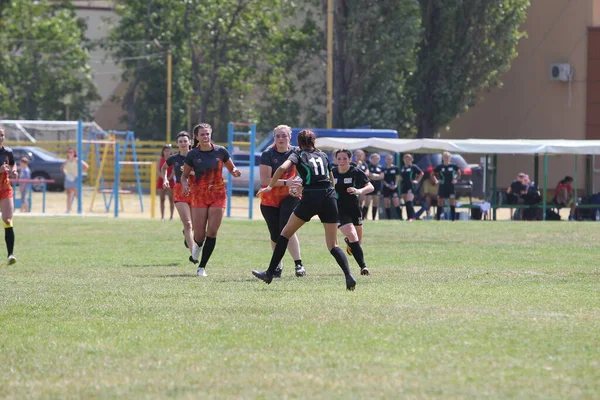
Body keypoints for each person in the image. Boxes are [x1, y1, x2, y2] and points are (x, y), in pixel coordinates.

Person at [251, 129, 357, 291]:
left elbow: (281, 168)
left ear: (299, 142)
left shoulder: (298, 154)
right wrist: (333, 196)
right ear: (314, 141)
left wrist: (270, 186)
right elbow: (331, 178)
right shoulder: (322, 155)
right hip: (328, 198)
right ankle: (349, 275)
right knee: (332, 245)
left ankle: (269, 273)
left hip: (311, 199)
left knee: (284, 234)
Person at [182, 123, 242, 277]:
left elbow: (231, 167)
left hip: (218, 194)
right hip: (199, 195)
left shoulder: (220, 151)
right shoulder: (192, 154)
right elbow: (185, 174)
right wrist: (184, 184)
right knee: (200, 235)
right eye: (202, 134)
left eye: (207, 134)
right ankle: (197, 245)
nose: (205, 136)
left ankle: (202, 267)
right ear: (196, 137)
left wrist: (235, 172)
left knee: (212, 231)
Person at [259, 124, 306, 278]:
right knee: (274, 233)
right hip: (269, 198)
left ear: (289, 137)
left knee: (286, 228)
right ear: (274, 138)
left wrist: (297, 184)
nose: (281, 139)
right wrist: (287, 182)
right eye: (278, 136)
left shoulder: (297, 152)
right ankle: (277, 266)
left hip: (291, 196)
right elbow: (265, 180)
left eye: (284, 135)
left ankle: (299, 264)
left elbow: (304, 173)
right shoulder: (267, 154)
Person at [332, 149, 374, 275]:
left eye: (345, 158)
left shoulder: (355, 172)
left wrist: (358, 190)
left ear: (350, 159)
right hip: (339, 210)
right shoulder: (332, 173)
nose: (342, 161)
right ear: (335, 159)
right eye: (339, 158)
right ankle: (363, 267)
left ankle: (350, 244)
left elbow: (370, 187)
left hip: (354, 209)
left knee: (358, 241)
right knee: (353, 235)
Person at [162, 131, 196, 262]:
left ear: (190, 142)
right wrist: (165, 179)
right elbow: (164, 168)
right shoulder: (174, 158)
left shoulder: (196, 156)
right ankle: (193, 254)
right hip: (179, 190)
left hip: (195, 191)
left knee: (195, 226)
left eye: (185, 141)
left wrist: (190, 171)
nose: (183, 143)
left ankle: (187, 236)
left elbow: (202, 172)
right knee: (187, 223)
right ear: (177, 144)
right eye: (180, 141)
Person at [0, 127, 17, 264]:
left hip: (5, 188)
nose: (0, 137)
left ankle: (10, 255)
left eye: (2, 135)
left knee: (7, 219)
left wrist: (14, 170)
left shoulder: (8, 152)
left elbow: (12, 163)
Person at [433, 152, 461, 221]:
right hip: (442, 186)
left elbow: (459, 173)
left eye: (447, 157)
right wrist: (436, 180)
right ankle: (438, 219)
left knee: (452, 202)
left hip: (451, 186)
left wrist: (456, 179)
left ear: (450, 158)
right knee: (440, 202)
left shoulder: (453, 166)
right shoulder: (440, 167)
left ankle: (453, 219)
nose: (446, 158)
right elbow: (432, 174)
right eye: (445, 157)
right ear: (442, 158)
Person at [61, 147, 89, 214]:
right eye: (69, 152)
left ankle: (80, 210)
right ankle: (68, 210)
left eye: (71, 152)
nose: (70, 154)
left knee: (77, 195)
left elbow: (86, 166)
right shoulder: (66, 161)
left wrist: (79, 172)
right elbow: (62, 168)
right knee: (68, 195)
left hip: (75, 178)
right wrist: (66, 174)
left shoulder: (77, 160)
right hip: (68, 179)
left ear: (74, 153)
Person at [398, 153, 423, 221]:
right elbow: (400, 177)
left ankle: (410, 218)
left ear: (411, 159)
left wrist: (417, 181)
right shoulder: (403, 168)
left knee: (409, 201)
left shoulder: (413, 167)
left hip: (411, 186)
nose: (407, 160)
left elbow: (421, 173)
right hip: (404, 186)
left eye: (409, 159)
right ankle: (413, 216)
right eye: (405, 159)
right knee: (406, 203)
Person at [157, 144, 174, 221]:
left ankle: (171, 216)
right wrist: (164, 178)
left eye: (168, 150)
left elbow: (174, 171)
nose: (167, 152)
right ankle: (162, 216)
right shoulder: (160, 160)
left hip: (171, 180)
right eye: (165, 150)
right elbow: (158, 170)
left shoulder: (173, 159)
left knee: (171, 199)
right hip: (161, 180)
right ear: (163, 151)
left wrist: (168, 178)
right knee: (162, 199)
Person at [365, 153, 383, 220]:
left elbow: (382, 176)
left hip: (377, 186)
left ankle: (373, 218)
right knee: (367, 202)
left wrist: (374, 176)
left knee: (375, 202)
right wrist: (375, 176)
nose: (375, 160)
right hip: (369, 186)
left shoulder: (380, 167)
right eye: (374, 158)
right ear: (371, 159)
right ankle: (364, 217)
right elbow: (368, 175)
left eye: (377, 159)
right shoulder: (368, 166)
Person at [353, 149, 370, 218]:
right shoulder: (353, 163)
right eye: (358, 155)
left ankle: (361, 216)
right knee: (354, 201)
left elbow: (367, 173)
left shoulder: (365, 164)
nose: (359, 157)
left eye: (361, 155)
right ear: (355, 156)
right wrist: (358, 165)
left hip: (362, 185)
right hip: (354, 184)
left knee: (361, 201)